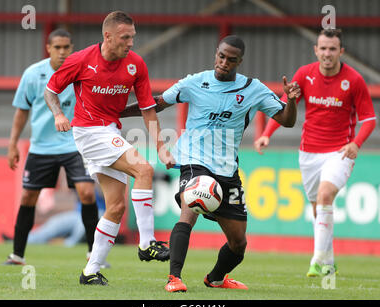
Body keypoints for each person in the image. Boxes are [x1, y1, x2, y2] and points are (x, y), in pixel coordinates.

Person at [121, 35, 300, 292]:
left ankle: (215, 279)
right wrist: (116, 112)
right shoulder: (195, 82)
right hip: (194, 160)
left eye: (231, 59)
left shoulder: (253, 88)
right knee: (189, 211)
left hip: (227, 169)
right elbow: (156, 104)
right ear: (216, 53)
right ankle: (174, 278)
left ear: (240, 61)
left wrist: (291, 100)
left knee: (239, 244)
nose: (224, 62)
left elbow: (287, 120)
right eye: (221, 56)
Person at [44, 11, 175, 285]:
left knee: (115, 207)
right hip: (88, 131)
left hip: (110, 131)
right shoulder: (81, 60)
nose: (131, 43)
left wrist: (162, 147)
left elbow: (148, 110)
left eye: (133, 37)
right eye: (125, 37)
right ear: (108, 36)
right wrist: (58, 114)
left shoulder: (136, 64)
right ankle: (147, 243)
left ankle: (90, 272)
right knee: (144, 170)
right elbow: (51, 90)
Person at [254, 29, 376, 277]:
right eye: (323, 48)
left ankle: (317, 261)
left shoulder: (354, 80)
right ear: (316, 50)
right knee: (317, 208)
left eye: (332, 49)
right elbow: (284, 107)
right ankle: (329, 262)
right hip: (308, 153)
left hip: (339, 152)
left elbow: (370, 119)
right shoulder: (304, 74)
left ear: (341, 51)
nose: (327, 53)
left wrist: (356, 144)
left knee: (325, 195)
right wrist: (267, 133)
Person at [4, 29, 100, 266]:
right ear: (48, 48)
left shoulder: (81, 74)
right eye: (57, 47)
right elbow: (22, 112)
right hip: (41, 147)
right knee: (28, 196)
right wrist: (12, 144)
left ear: (72, 48)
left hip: (74, 144)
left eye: (67, 47)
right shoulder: (33, 74)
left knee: (87, 193)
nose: (62, 52)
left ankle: (94, 256)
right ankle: (17, 255)